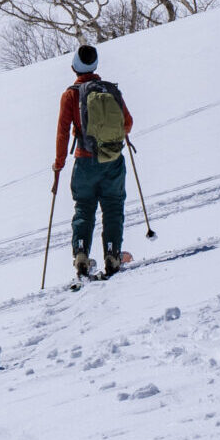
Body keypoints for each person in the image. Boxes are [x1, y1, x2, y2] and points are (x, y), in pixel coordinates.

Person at [51, 45, 133, 281]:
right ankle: (112, 254)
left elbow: (62, 133)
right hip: (113, 160)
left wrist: (58, 165)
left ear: (74, 67)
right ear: (95, 65)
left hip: (84, 162)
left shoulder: (70, 95)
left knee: (84, 209)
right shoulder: (110, 90)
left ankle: (81, 256)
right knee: (113, 207)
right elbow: (127, 123)